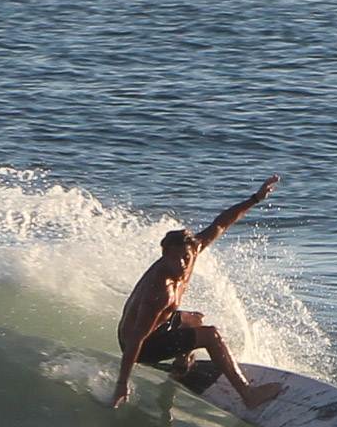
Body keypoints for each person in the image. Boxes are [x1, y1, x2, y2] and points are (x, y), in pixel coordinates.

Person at [111, 176, 284, 410]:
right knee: (210, 335)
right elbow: (136, 340)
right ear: (164, 256)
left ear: (195, 251)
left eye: (186, 257)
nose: (181, 263)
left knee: (195, 320)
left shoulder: (193, 250)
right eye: (174, 258)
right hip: (140, 344)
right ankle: (248, 394)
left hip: (156, 329)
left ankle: (180, 367)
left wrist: (254, 199)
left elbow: (221, 224)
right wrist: (122, 383)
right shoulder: (160, 292)